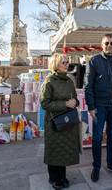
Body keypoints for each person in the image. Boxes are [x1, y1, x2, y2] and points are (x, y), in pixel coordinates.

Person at [84, 33, 112, 182]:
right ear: (101, 45)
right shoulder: (94, 61)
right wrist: (91, 106)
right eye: (106, 43)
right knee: (97, 138)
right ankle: (96, 167)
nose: (109, 45)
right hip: (99, 107)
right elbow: (88, 86)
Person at [40, 53, 80, 189]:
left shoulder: (69, 80)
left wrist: (76, 102)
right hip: (54, 122)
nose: (67, 64)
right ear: (56, 65)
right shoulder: (49, 82)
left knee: (64, 150)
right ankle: (54, 179)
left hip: (67, 122)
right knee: (54, 150)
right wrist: (65, 104)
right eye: (64, 62)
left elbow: (74, 97)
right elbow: (45, 104)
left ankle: (62, 177)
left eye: (67, 61)